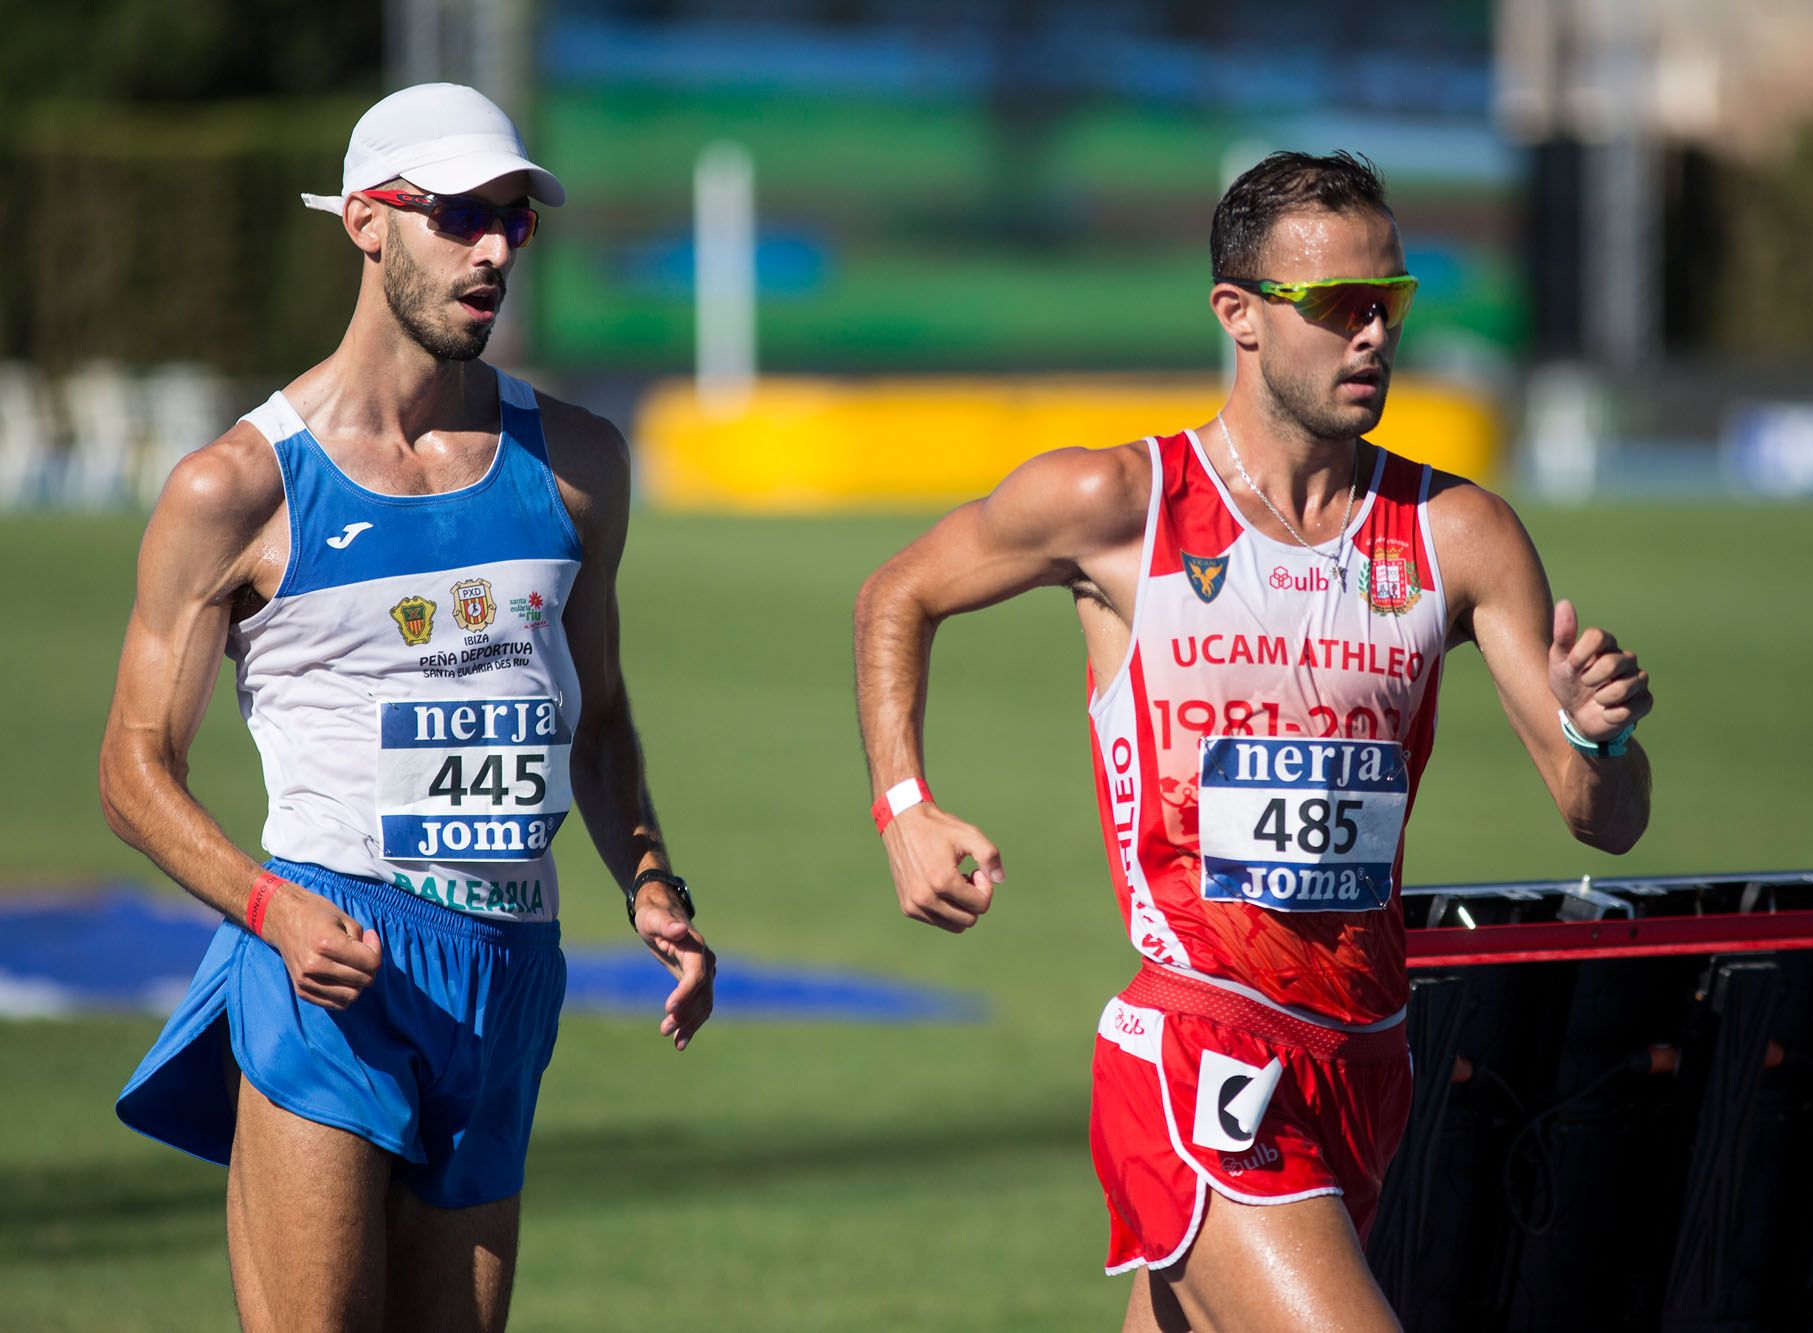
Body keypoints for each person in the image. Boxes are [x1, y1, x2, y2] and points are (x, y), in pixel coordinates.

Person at [853, 150, 1652, 1332]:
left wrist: (1603, 739)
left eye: (1389, 303)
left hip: (1368, 1056)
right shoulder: (1117, 503)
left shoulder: (1459, 532)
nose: (1371, 334)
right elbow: (895, 594)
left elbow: (1605, 819)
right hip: (1197, 1044)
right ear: (1237, 314)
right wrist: (904, 804)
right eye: (1335, 307)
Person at [100, 83, 715, 1332]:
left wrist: (652, 881)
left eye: (513, 222)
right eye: (458, 217)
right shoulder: (239, 485)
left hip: (510, 964)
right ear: (367, 223)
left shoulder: (579, 461)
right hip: (332, 957)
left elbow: (592, 718)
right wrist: (270, 910)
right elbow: (131, 767)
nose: (492, 250)